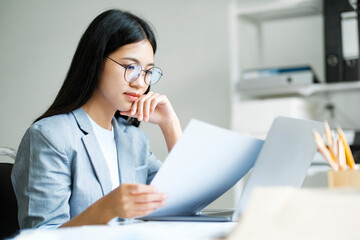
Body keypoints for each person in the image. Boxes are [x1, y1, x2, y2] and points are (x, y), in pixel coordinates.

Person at [11, 9, 182, 229]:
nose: (140, 83)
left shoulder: (134, 139)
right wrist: (105, 209)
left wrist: (170, 125)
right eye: (131, 67)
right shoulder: (50, 136)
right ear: (96, 61)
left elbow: (183, 200)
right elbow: (42, 234)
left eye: (148, 72)